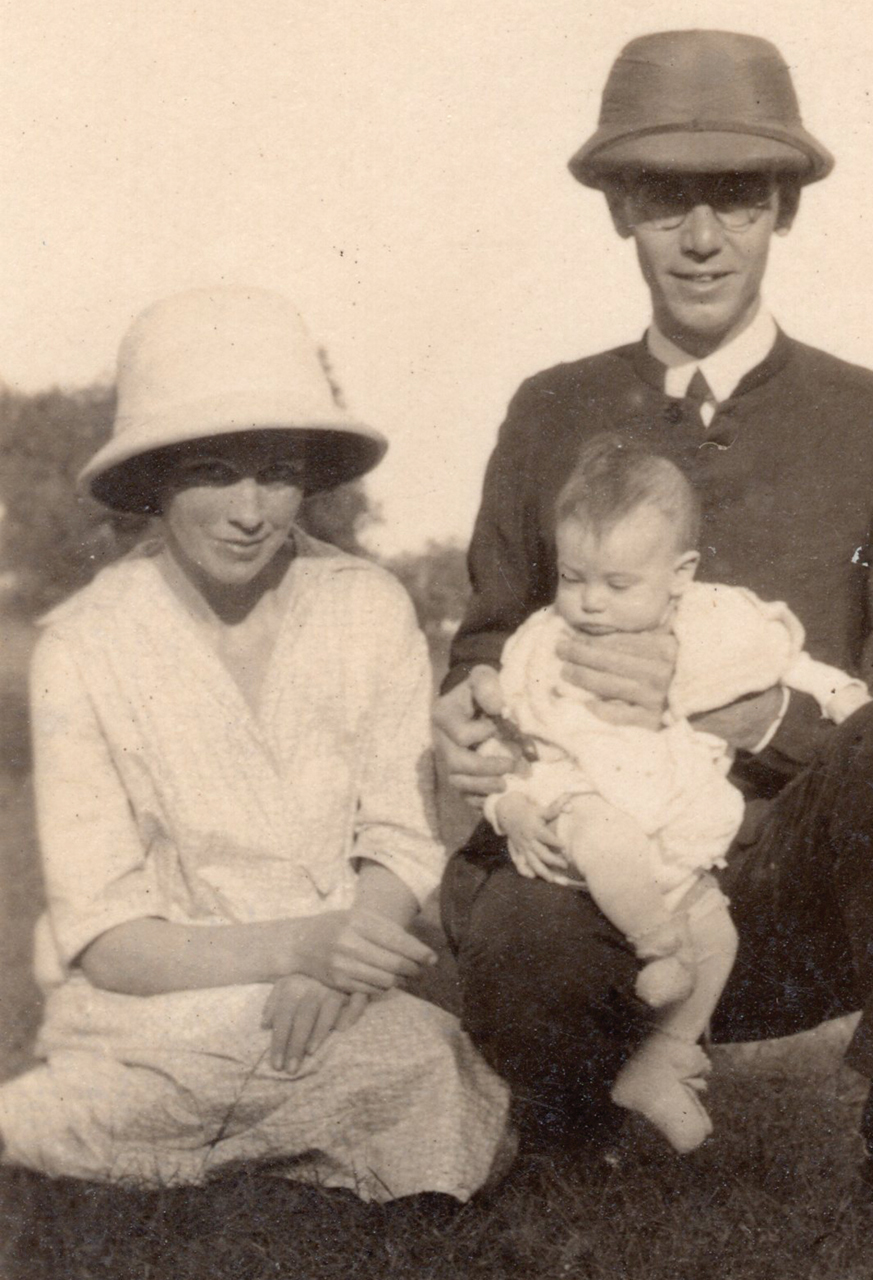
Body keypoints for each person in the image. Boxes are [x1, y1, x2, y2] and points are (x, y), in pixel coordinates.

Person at [434, 29, 873, 1243]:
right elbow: (485, 637)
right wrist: (472, 707)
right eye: (663, 197)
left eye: (736, 195)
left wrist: (747, 714)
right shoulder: (550, 409)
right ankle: (566, 1112)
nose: (701, 236)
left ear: (784, 206)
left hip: (793, 884)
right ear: (616, 210)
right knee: (520, 919)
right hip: (599, 856)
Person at [0, 286, 512, 1200]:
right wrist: (297, 949)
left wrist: (342, 955)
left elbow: (399, 835)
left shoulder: (366, 607)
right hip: (160, 1003)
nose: (249, 510)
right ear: (154, 480)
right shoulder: (82, 647)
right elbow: (109, 940)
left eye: (276, 472)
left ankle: (200, 1147)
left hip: (340, 990)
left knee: (423, 1058)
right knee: (147, 1083)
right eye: (212, 472)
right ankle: (138, 1125)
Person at [486, 435, 869, 1153]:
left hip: (679, 836)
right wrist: (509, 807)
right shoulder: (544, 642)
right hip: (581, 802)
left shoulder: (714, 625)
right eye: (574, 578)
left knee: (717, 936)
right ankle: (653, 951)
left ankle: (662, 1059)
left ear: (679, 573)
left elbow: (786, 661)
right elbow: (511, 743)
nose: (590, 602)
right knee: (605, 839)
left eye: (616, 583)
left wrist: (839, 691)